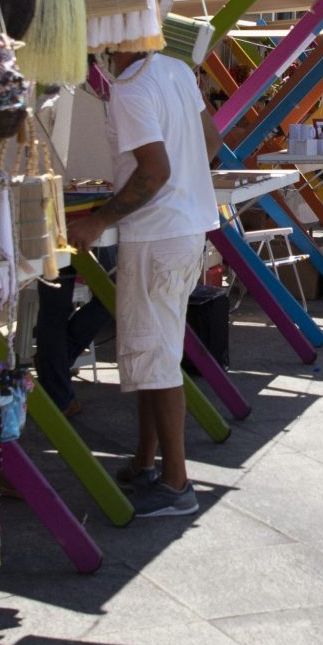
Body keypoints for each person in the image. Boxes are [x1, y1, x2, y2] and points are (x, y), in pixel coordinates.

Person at [65, 45, 223, 519]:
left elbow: (154, 172)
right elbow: (210, 141)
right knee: (155, 356)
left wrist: (99, 220)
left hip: (157, 235)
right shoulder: (174, 69)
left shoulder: (131, 87)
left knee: (156, 360)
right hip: (184, 231)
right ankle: (146, 462)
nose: (98, 54)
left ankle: (176, 483)